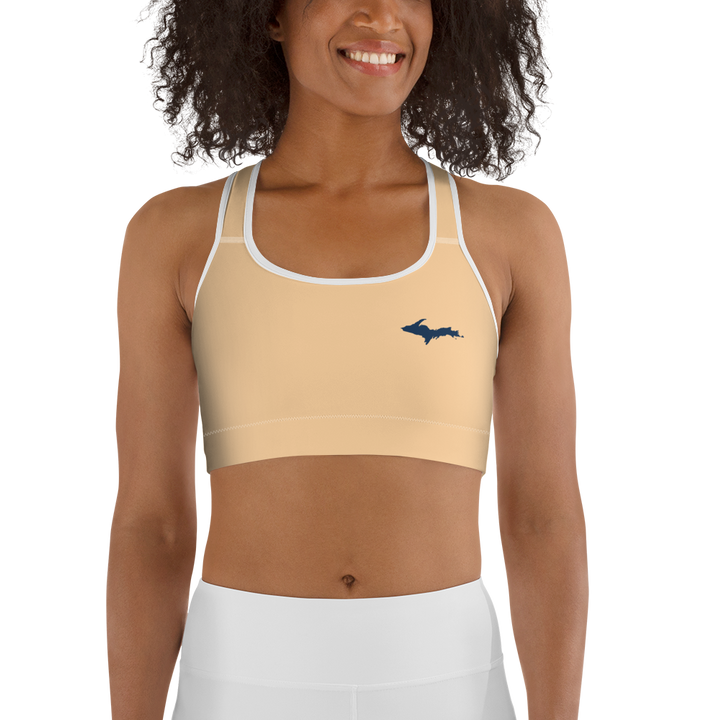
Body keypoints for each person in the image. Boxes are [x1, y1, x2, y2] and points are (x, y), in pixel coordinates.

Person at [107, 1, 590, 719]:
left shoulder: (512, 235)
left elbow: (542, 517)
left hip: (447, 679)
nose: (381, 16)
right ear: (269, 14)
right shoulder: (176, 236)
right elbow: (153, 526)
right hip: (240, 678)